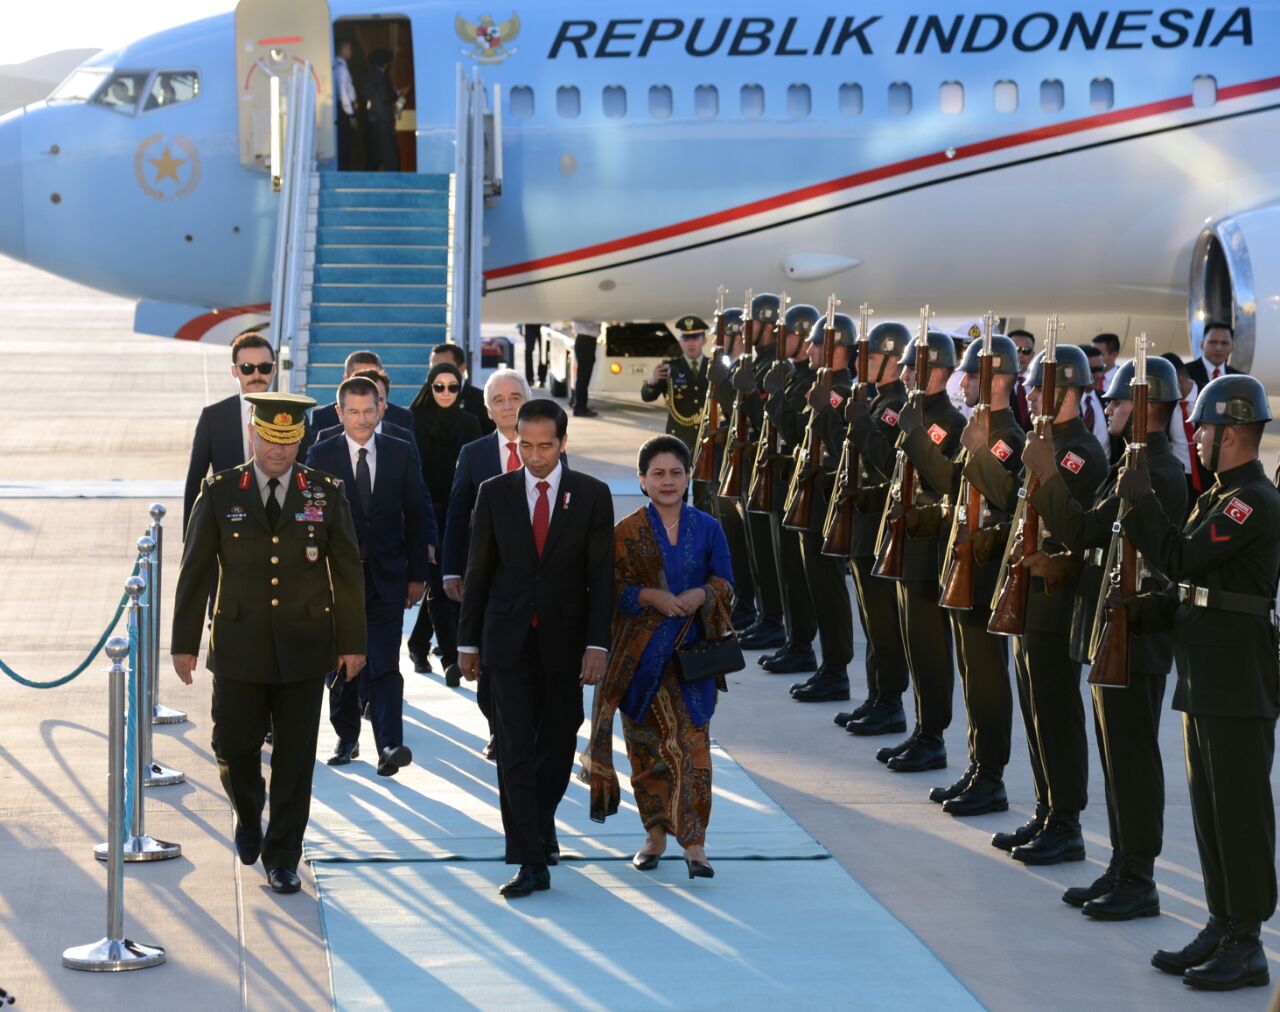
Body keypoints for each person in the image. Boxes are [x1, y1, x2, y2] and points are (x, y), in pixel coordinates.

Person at [1118, 374, 1278, 991]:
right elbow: (1196, 585)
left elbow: (1181, 559)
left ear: (1231, 434)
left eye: (1206, 429)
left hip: (1237, 677)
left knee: (1239, 811)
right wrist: (1150, 611)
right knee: (1211, 810)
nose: (1199, 438)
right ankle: (1221, 922)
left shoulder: (1250, 503)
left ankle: (1248, 940)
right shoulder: (1219, 495)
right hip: (1208, 671)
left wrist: (1139, 505)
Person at [171, 393, 366, 894]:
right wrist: (184, 642)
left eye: (289, 442)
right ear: (254, 434)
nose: (279, 452)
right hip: (238, 645)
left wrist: (352, 642)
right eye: (270, 441)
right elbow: (194, 572)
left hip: (304, 646)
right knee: (233, 745)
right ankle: (247, 810)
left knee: (296, 758)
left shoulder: (324, 491)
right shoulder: (220, 492)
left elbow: (346, 571)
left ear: (299, 438)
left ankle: (283, 856)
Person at [1027, 356, 1185, 918]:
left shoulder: (1159, 475)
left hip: (1136, 636)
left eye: (1118, 401)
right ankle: (1122, 866)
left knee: (1134, 759)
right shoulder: (1130, 466)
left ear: (1148, 409)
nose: (1109, 407)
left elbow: (1088, 529)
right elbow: (1091, 536)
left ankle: (1139, 877)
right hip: (1110, 628)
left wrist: (1046, 473)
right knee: (1117, 756)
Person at [458, 399, 615, 898]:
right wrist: (467, 642)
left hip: (565, 642)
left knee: (558, 742)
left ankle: (540, 822)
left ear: (564, 443)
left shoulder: (592, 494)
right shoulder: (495, 493)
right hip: (506, 643)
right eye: (526, 445)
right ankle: (529, 858)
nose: (536, 455)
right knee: (513, 749)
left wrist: (597, 643)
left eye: (546, 445)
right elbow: (478, 571)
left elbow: (600, 578)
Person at [582, 435, 734, 878]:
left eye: (676, 473)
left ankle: (695, 844)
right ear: (642, 481)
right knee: (647, 753)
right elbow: (609, 589)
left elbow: (726, 581)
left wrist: (701, 593)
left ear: (689, 478)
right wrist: (649, 595)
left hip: (692, 660)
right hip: (640, 662)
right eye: (658, 474)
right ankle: (654, 835)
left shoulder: (708, 527)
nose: (667, 481)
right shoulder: (626, 531)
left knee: (694, 753)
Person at [988, 345, 1108, 864]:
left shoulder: (1081, 450)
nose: (1031, 394)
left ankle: (1067, 821)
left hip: (1057, 598)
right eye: (1032, 387)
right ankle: (1045, 807)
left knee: (1057, 710)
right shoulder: (1044, 443)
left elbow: (1072, 527)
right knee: (1035, 708)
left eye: (1040, 387)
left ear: (1070, 393)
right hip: (1026, 594)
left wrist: (1045, 469)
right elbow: (1015, 507)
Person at [306, 376, 435, 776]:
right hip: (336, 582)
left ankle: (389, 745)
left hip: (388, 577)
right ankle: (347, 738)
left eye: (369, 411)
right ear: (340, 412)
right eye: (354, 412)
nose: (362, 420)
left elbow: (418, 511)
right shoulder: (320, 454)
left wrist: (418, 574)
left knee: (384, 662)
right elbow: (311, 521)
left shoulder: (400, 451)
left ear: (381, 409)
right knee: (342, 663)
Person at [932, 335, 1025, 813]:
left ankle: (992, 776)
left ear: (997, 380)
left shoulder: (1010, 439)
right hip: (964, 562)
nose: (962, 382)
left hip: (988, 571)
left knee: (987, 676)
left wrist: (978, 452)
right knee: (972, 672)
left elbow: (1011, 500)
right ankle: (976, 766)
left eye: (971, 375)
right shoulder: (978, 429)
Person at [872, 331, 964, 771]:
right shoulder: (916, 414)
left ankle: (934, 735)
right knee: (913, 643)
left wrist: (914, 435)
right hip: (906, 542)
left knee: (929, 648)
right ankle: (922, 729)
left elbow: (944, 480)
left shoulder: (947, 421)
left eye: (914, 368)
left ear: (939, 372)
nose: (905, 374)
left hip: (929, 548)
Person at [442, 369, 535, 754]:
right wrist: (451, 569)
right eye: (499, 400)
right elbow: (456, 512)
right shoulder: (474, 454)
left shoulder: (550, 448)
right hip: (489, 579)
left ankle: (526, 730)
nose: (509, 405)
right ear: (489, 410)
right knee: (490, 664)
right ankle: (499, 727)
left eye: (516, 397)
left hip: (538, 577)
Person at [773, 311, 857, 703]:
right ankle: (824, 663)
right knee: (811, 584)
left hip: (828, 502)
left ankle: (836, 668)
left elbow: (847, 450)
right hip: (809, 496)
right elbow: (795, 435)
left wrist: (825, 414)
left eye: (816, 343)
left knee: (829, 589)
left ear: (836, 349)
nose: (808, 349)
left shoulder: (846, 394)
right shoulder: (821, 386)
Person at [840, 321, 913, 734]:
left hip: (881, 528)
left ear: (889, 360)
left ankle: (891, 701)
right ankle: (875, 695)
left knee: (884, 622)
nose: (858, 361)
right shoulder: (873, 399)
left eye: (869, 356)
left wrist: (862, 426)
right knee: (871, 620)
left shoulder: (895, 406)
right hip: (863, 524)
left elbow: (889, 466)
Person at [756, 303, 821, 676]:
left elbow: (795, 431)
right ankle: (793, 641)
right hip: (785, 484)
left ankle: (802, 646)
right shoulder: (794, 374)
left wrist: (774, 399)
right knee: (783, 570)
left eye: (794, 336)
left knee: (798, 575)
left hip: (802, 490)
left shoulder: (813, 383)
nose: (787, 342)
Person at [407, 362, 481, 682]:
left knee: (448, 581)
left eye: (453, 387)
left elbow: (475, 475)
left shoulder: (470, 424)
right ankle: (451, 658)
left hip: (461, 515)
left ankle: (418, 642)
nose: (446, 393)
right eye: (439, 386)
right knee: (439, 584)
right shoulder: (413, 421)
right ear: (429, 387)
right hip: (426, 513)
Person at [732, 293, 787, 651]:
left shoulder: (777, 367)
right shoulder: (757, 360)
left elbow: (766, 420)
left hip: (769, 467)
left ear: (767, 326)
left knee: (768, 553)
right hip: (753, 463)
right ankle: (762, 615)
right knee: (754, 548)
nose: (744, 330)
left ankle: (772, 620)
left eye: (751, 323)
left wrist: (750, 391)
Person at [183, 330, 278, 534]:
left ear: (274, 369)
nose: (256, 375)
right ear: (234, 371)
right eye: (246, 368)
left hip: (279, 530)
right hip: (228, 531)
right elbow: (195, 483)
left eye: (264, 367)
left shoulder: (292, 415)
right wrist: (190, 541)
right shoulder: (213, 418)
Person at [639, 315, 711, 457]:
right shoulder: (669, 368)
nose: (690, 343)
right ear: (680, 341)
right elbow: (647, 397)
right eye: (686, 339)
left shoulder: (714, 367)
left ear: (704, 340)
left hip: (707, 436)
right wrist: (652, 381)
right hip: (678, 436)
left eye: (695, 338)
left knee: (705, 479)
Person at [312, 367, 418, 451]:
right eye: (355, 410)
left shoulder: (404, 438)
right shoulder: (326, 437)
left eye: (379, 400)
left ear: (386, 403)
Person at [1162, 351, 1204, 510]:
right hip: (1179, 478)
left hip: (1207, 476)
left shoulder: (1206, 396)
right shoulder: (1167, 404)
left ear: (1177, 378)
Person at [363, 48, 399, 172]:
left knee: (376, 152)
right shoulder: (381, 75)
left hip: (374, 118)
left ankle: (369, 176)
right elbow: (384, 96)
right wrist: (397, 94)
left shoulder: (369, 74)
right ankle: (393, 179)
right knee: (388, 152)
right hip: (383, 119)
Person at [1186, 321, 1242, 390]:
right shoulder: (1184, 375)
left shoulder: (1240, 380)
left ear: (1232, 347)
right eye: (1213, 342)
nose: (1219, 348)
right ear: (1202, 344)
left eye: (1224, 343)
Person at [1080, 344, 1111, 451]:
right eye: (1093, 370)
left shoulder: (1108, 400)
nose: (1098, 375)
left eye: (1101, 369)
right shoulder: (1066, 403)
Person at [334, 40, 359, 170]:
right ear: (342, 50)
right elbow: (343, 94)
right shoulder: (341, 69)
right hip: (345, 111)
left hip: (346, 109)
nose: (351, 52)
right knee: (345, 145)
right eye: (349, 49)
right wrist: (351, 115)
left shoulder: (340, 67)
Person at [570, 321, 600, 417]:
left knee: (583, 376)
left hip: (586, 340)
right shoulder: (587, 312)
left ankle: (580, 406)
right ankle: (580, 407)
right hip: (585, 340)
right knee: (583, 376)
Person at [1008, 329, 1036, 432]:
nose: (1020, 355)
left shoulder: (1040, 384)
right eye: (1016, 349)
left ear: (1033, 355)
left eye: (1026, 351)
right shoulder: (995, 383)